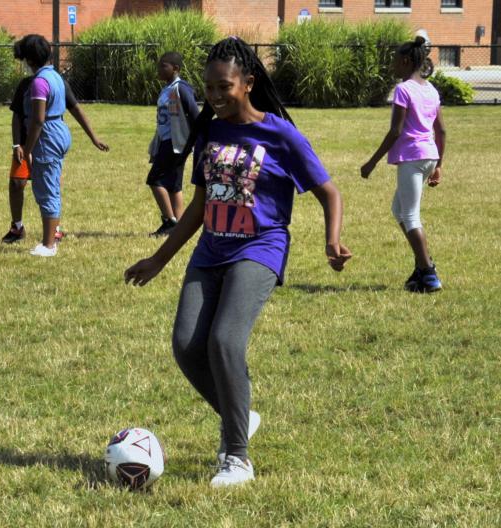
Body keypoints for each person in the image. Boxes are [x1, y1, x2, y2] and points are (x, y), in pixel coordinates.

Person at [125, 37, 351, 487]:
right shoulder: (210, 131)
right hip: (211, 250)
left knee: (225, 341)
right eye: (209, 87)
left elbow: (329, 192)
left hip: (259, 248)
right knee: (187, 346)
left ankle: (236, 457)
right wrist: (159, 258)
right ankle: (240, 416)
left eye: (224, 87)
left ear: (247, 83)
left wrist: (332, 240)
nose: (214, 96)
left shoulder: (281, 135)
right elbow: (199, 204)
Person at [2, 35, 109, 244]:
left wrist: (93, 137)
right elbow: (18, 116)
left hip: (41, 142)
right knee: (20, 184)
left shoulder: (44, 82)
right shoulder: (37, 82)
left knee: (48, 189)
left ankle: (51, 238)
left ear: (29, 60)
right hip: (30, 143)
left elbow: (44, 118)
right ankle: (18, 227)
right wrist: (18, 145)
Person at [361, 35, 445, 293]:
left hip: (413, 157)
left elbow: (395, 131)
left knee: (410, 216)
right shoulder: (430, 89)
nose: (393, 66)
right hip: (429, 155)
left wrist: (371, 162)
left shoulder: (404, 89)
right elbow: (441, 131)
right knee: (399, 210)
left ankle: (429, 274)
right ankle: (422, 267)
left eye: (395, 61)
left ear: (407, 61)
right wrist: (438, 164)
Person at [16, 34, 71, 257]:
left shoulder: (39, 82)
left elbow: (38, 120)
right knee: (52, 187)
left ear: (29, 59)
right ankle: (52, 237)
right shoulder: (54, 75)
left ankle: (49, 245)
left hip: (47, 135)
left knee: (46, 190)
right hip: (59, 130)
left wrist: (27, 150)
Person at [146, 51, 199, 237]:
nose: (159, 69)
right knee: (174, 186)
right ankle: (181, 229)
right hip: (165, 142)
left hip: (176, 143)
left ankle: (169, 221)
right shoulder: (166, 89)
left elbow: (195, 115)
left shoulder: (181, 88)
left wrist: (195, 142)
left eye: (164, 66)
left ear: (175, 68)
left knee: (154, 180)